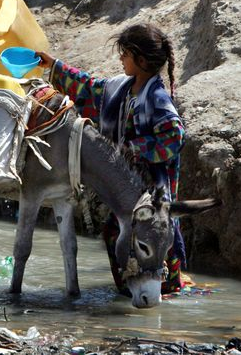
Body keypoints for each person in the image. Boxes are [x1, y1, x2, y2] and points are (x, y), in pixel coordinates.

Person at [36, 23, 186, 294]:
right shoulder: (122, 88)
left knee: (156, 236)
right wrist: (55, 66)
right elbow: (90, 88)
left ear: (140, 60)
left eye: (125, 54)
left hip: (152, 191)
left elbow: (173, 139)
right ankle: (131, 290)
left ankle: (166, 289)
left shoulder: (157, 99)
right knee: (116, 233)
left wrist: (133, 147)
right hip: (125, 188)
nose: (121, 59)